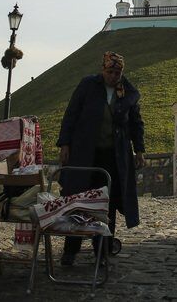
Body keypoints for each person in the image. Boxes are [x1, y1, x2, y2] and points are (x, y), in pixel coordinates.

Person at [57, 51, 145, 266]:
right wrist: (65, 143)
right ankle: (71, 251)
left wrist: (139, 149)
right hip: (85, 154)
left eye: (118, 72)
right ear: (102, 70)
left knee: (108, 204)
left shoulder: (128, 92)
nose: (114, 76)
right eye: (110, 71)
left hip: (114, 156)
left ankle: (102, 253)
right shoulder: (88, 85)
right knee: (78, 202)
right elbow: (72, 113)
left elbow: (136, 122)